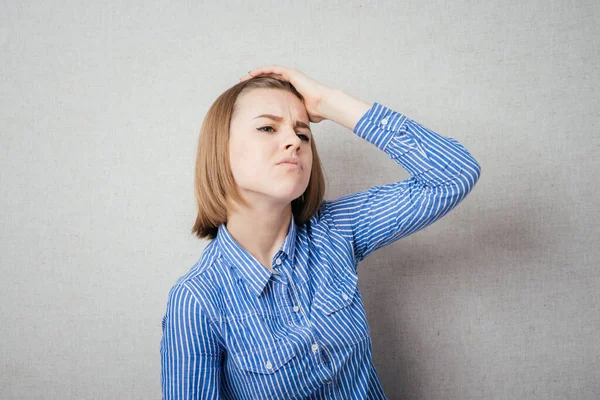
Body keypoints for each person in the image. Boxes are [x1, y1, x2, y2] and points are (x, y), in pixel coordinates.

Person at [160, 65, 482, 399]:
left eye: (303, 134)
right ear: (220, 149)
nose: (293, 142)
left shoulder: (337, 230)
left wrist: (329, 101)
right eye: (268, 127)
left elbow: (455, 173)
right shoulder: (197, 300)